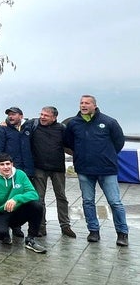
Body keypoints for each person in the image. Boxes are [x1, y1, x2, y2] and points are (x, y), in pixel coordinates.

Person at [64, 95, 128, 246]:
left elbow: (119, 142)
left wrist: (106, 156)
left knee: (115, 202)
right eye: (81, 103)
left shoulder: (109, 122)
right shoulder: (73, 123)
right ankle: (93, 231)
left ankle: (122, 233)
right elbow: (69, 142)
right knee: (87, 202)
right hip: (84, 169)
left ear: (94, 105)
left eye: (87, 103)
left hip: (107, 169)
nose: (83, 105)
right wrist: (81, 154)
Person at [0, 153, 47, 254]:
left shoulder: (20, 174)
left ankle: (30, 239)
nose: (6, 167)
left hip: (17, 211)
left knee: (37, 206)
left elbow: (34, 194)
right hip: (0, 213)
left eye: (8, 164)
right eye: (2, 164)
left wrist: (17, 198)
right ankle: (5, 233)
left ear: (12, 164)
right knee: (0, 233)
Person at [24, 106, 75, 238]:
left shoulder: (62, 129)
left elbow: (71, 145)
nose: (42, 117)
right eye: (41, 114)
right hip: (39, 168)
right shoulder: (33, 126)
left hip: (57, 168)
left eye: (46, 115)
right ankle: (41, 227)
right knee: (39, 199)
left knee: (62, 197)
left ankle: (65, 226)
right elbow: (18, 124)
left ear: (54, 117)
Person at [0, 107, 34, 177]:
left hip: (28, 167)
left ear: (21, 116)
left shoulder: (28, 128)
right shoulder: (3, 129)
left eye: (13, 114)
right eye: (9, 115)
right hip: (12, 168)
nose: (10, 117)